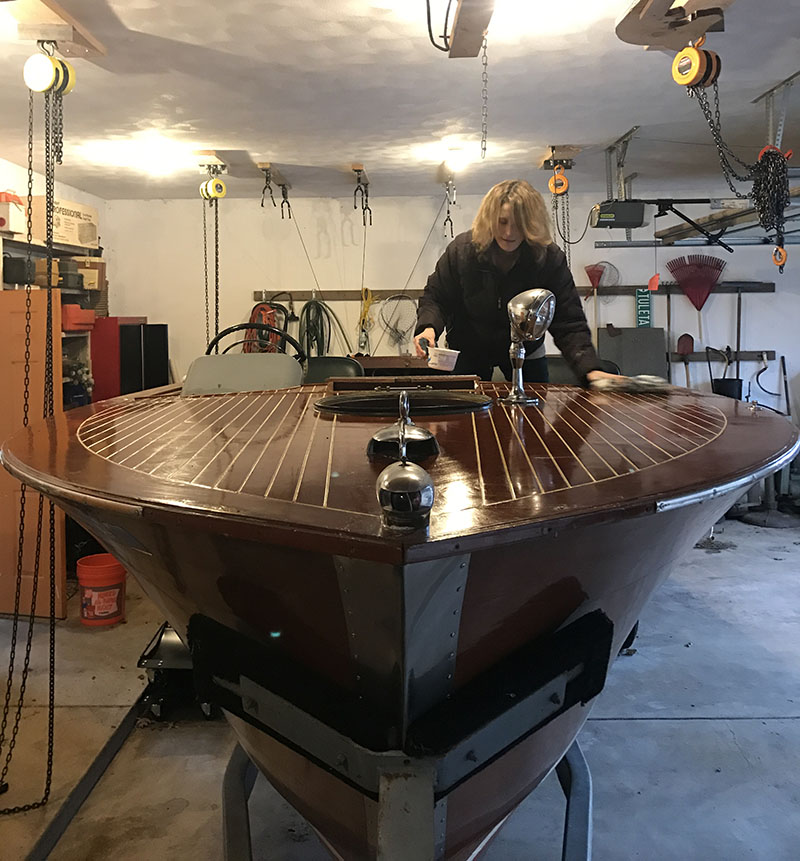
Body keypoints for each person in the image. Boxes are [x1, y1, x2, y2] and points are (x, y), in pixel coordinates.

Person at [413, 179, 617, 385]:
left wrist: (590, 369)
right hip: (468, 347)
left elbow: (568, 320)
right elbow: (436, 297)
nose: (509, 232)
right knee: (464, 404)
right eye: (502, 222)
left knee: (535, 405)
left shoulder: (549, 258)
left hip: (527, 350)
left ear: (531, 223)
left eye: (519, 224)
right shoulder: (461, 251)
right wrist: (428, 328)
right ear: (488, 218)